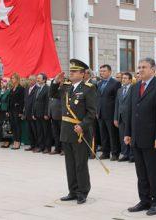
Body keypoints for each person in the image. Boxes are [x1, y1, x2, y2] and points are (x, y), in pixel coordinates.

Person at [124, 58, 156, 216]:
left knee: (154, 171)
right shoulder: (135, 87)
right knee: (141, 171)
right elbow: (131, 112)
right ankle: (144, 200)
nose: (140, 69)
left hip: (151, 138)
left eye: (144, 67)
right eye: (139, 67)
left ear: (153, 69)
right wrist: (128, 133)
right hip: (136, 136)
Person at [51, 59, 96, 205]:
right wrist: (55, 82)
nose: (71, 73)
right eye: (70, 71)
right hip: (66, 130)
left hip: (79, 132)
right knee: (69, 163)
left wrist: (83, 125)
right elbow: (53, 94)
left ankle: (83, 192)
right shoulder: (66, 87)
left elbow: (91, 112)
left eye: (74, 71)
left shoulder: (89, 88)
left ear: (83, 74)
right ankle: (73, 190)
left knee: (80, 163)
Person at [97, 64, 121, 160]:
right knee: (103, 134)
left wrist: (116, 115)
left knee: (112, 134)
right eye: (101, 71)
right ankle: (105, 152)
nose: (102, 73)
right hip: (101, 113)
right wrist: (97, 111)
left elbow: (117, 100)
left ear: (110, 72)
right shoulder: (99, 83)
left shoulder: (115, 83)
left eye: (104, 71)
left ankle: (115, 153)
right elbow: (98, 98)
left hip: (110, 113)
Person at [114, 72, 133, 162]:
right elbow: (117, 105)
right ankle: (125, 154)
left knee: (130, 135)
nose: (123, 79)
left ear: (130, 80)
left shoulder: (133, 89)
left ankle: (132, 155)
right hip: (121, 116)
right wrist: (115, 118)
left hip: (130, 117)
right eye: (123, 78)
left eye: (125, 78)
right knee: (122, 136)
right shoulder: (119, 90)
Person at [33, 73, 51, 153]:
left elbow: (47, 102)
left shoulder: (47, 88)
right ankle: (41, 146)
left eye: (39, 78)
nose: (37, 79)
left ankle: (47, 147)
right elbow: (35, 101)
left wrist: (46, 113)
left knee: (46, 131)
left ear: (44, 80)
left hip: (44, 114)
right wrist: (33, 113)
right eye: (37, 78)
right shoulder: (37, 88)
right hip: (37, 114)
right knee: (39, 131)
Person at [9, 73, 25, 150]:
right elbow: (10, 100)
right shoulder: (12, 88)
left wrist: (21, 112)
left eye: (13, 78)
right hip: (11, 109)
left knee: (17, 126)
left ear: (17, 79)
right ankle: (15, 140)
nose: (12, 79)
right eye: (11, 78)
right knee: (13, 125)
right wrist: (8, 110)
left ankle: (18, 142)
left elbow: (22, 101)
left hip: (17, 109)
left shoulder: (21, 88)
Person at [49, 73, 63, 155]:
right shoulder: (55, 90)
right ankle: (57, 148)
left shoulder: (65, 89)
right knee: (56, 134)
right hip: (54, 115)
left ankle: (64, 149)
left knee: (62, 134)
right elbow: (51, 96)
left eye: (61, 80)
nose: (59, 81)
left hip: (62, 115)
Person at [23, 75, 38, 151]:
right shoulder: (27, 89)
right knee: (29, 130)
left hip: (33, 112)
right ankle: (31, 144)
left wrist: (33, 112)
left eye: (31, 80)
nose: (30, 81)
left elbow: (35, 102)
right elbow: (25, 100)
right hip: (27, 112)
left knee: (35, 130)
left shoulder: (37, 89)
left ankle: (36, 145)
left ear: (35, 81)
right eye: (29, 80)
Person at [0, 79, 11, 148]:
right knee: (0, 125)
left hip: (5, 110)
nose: (2, 84)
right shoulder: (0, 91)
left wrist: (8, 111)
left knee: (6, 126)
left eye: (3, 83)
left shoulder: (8, 91)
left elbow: (8, 102)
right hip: (0, 110)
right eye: (1, 83)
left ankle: (7, 141)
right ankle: (1, 140)